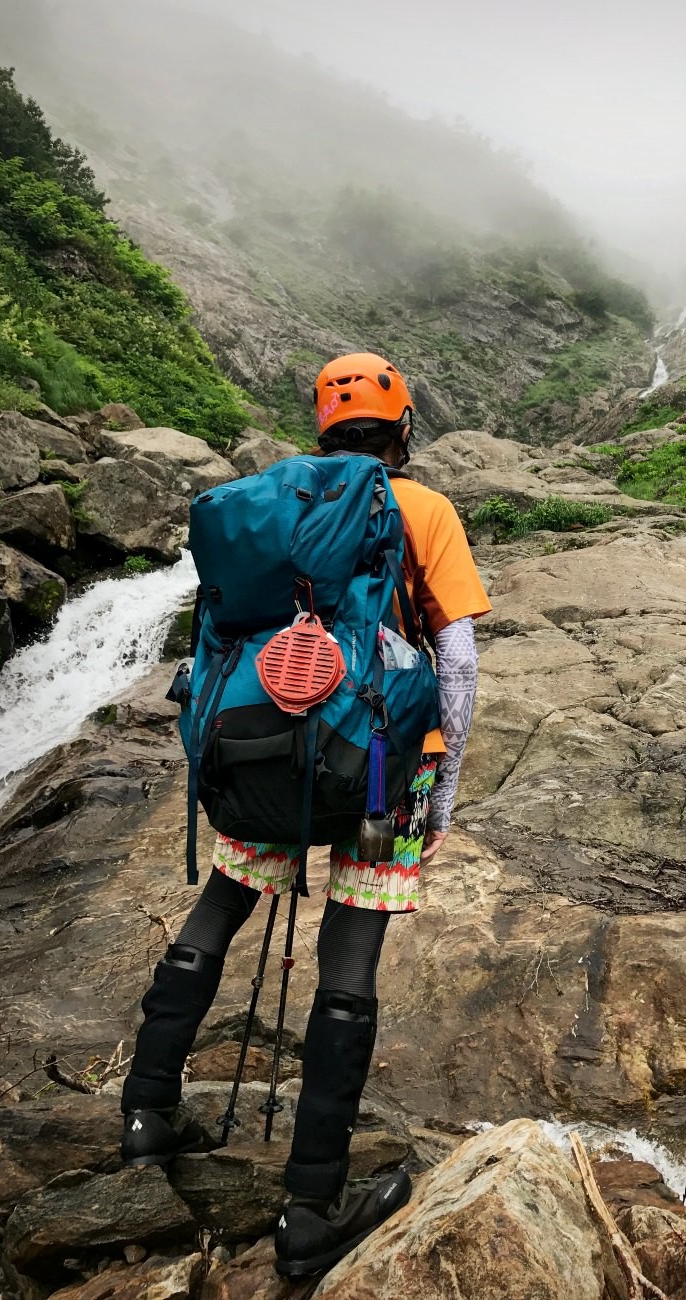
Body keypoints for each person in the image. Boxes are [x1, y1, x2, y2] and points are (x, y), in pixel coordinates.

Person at [119, 353, 491, 1277]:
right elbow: (457, 661)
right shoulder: (423, 508)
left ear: (321, 427)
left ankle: (147, 1116)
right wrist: (442, 784)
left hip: (263, 756)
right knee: (351, 952)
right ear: (402, 428)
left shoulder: (272, 505)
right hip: (381, 772)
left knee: (219, 909)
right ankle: (309, 1207)